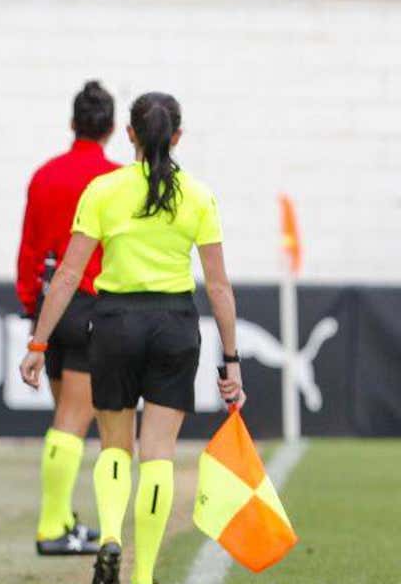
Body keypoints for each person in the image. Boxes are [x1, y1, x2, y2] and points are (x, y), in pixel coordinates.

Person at [19, 92, 246, 584]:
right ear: (179, 136)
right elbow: (219, 286)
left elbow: (67, 275)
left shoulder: (104, 190)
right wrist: (232, 360)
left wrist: (39, 343)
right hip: (174, 325)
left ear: (130, 136)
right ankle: (143, 574)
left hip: (116, 323)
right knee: (158, 451)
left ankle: (109, 540)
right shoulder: (200, 196)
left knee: (115, 446)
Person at [16, 80, 121, 556]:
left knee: (65, 417)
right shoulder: (115, 181)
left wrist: (30, 308)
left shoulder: (44, 175)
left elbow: (31, 247)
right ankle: (51, 528)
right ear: (113, 128)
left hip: (51, 306)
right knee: (75, 420)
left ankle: (61, 520)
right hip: (92, 304)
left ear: (72, 123)